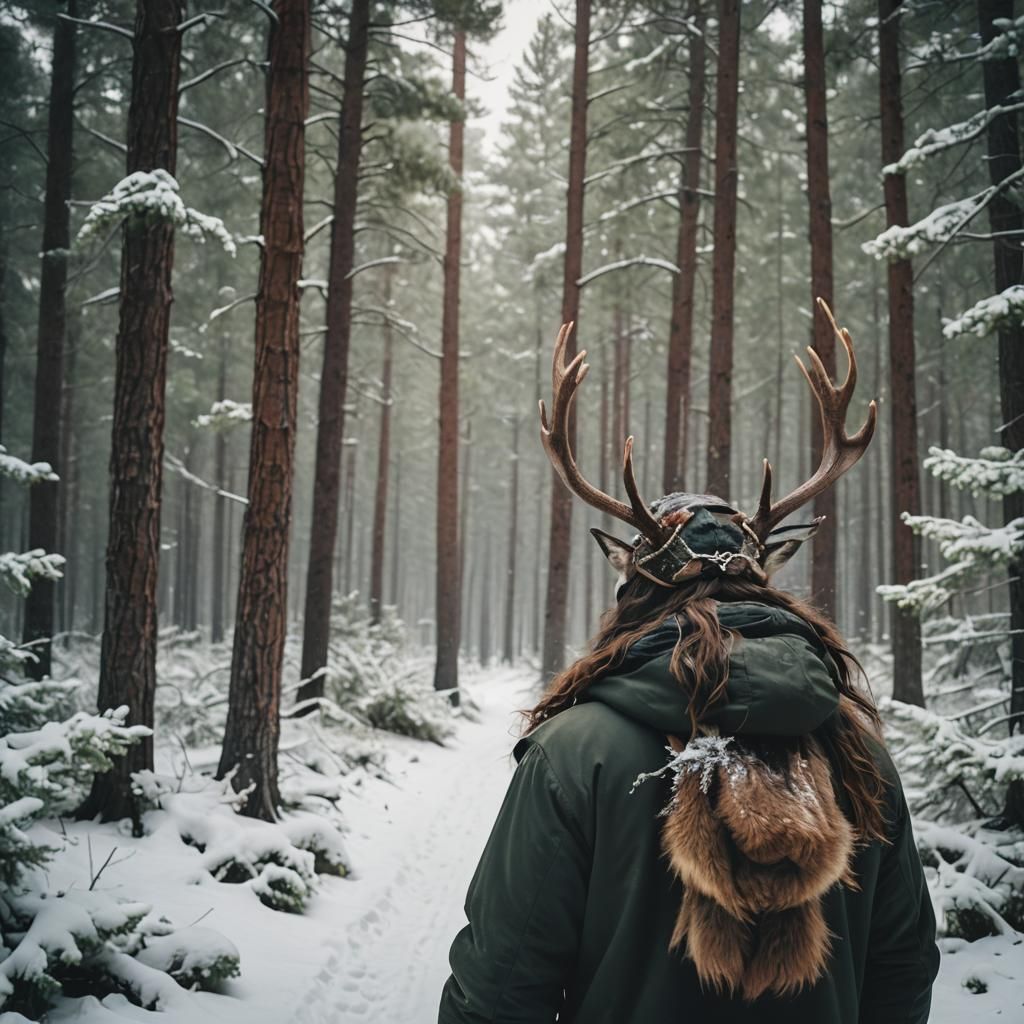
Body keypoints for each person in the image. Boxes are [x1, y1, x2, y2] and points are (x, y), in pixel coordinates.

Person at [437, 307, 939, 1024]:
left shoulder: (575, 753)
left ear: (630, 583)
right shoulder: (858, 752)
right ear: (768, 576)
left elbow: (499, 986)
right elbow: (904, 967)